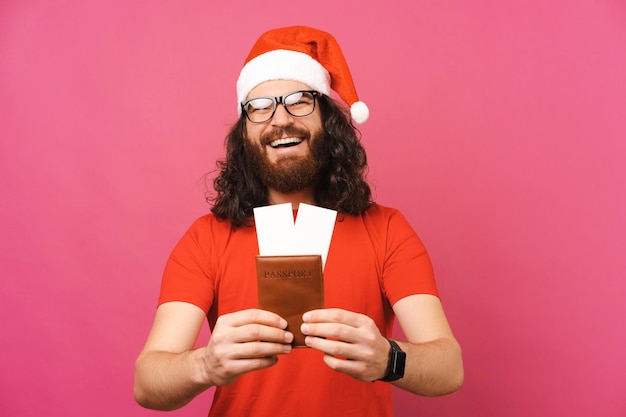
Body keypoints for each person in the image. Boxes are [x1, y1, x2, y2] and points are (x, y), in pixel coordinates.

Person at [134, 25, 463, 417]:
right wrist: (205, 364)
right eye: (260, 107)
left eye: (298, 101)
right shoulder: (207, 238)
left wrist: (388, 359)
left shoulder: (387, 229)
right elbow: (147, 383)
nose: (280, 119)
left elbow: (449, 367)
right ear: (244, 134)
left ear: (328, 121)